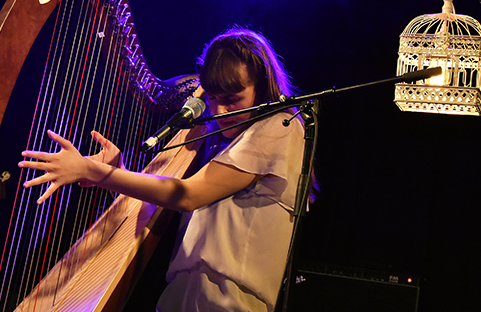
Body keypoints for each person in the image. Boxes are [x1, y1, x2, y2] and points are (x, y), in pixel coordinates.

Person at [19, 26, 313, 312]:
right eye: (212, 98)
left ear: (262, 89)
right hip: (186, 293)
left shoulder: (281, 126)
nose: (220, 111)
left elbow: (188, 195)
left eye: (233, 100)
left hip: (228, 301)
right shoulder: (223, 141)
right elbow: (169, 194)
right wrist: (118, 171)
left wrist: (96, 172)